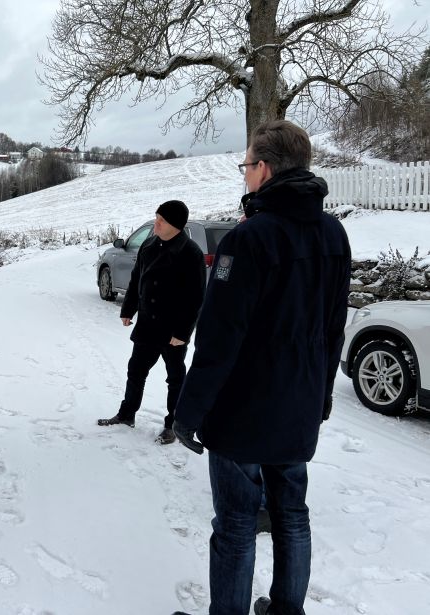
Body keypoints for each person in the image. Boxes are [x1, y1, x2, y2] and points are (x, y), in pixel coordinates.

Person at [171, 120, 351, 615]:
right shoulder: (335, 235)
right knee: (292, 512)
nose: (245, 174)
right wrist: (323, 393)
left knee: (235, 521)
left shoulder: (247, 240)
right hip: (299, 405)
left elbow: (218, 339)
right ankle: (288, 609)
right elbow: (333, 329)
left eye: (247, 165)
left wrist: (188, 412)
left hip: (242, 412)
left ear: (265, 169)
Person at [98, 200, 206, 444]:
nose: (156, 223)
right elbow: (137, 279)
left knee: (175, 378)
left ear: (175, 225)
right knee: (135, 371)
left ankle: (173, 425)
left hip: (172, 330)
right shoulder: (149, 245)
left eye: (161, 220)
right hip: (147, 324)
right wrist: (128, 309)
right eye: (156, 217)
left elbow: (195, 297)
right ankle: (127, 414)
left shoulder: (190, 253)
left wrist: (183, 332)